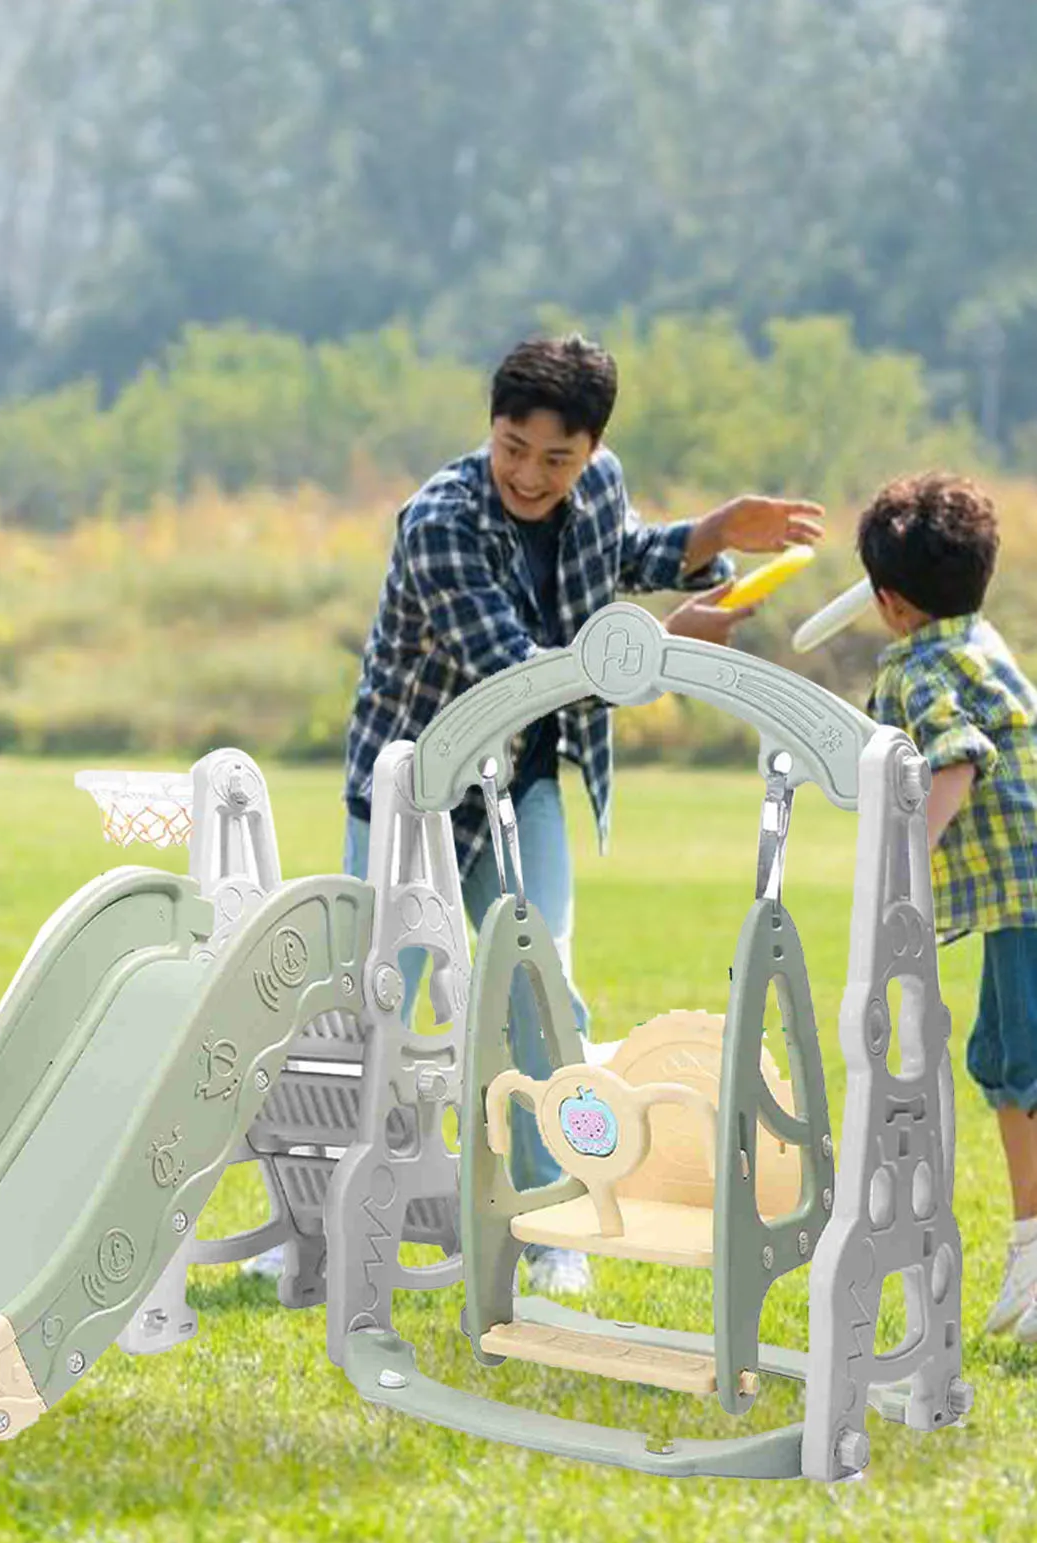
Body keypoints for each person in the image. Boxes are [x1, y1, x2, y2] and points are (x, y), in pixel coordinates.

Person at [339, 333, 825, 1298]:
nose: (527, 473)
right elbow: (518, 674)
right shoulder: (438, 521)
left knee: (544, 995)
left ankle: (553, 1218)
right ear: (492, 427)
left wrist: (712, 532)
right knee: (382, 1007)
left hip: (519, 782)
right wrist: (654, 646)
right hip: (413, 792)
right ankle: (342, 1216)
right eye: (511, 447)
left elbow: (616, 555)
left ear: (592, 452)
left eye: (555, 460)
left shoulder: (596, 489)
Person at [858, 472, 1037, 1342]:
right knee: (1008, 1061)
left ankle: (1034, 1262)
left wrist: (903, 860)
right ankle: (1028, 1255)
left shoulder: (918, 664)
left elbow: (956, 758)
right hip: (1019, 900)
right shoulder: (981, 643)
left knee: (1021, 1069)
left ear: (888, 601)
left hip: (1026, 897)